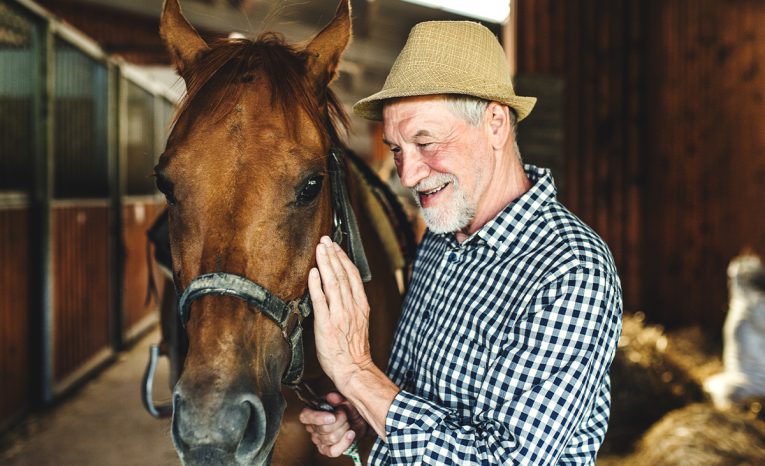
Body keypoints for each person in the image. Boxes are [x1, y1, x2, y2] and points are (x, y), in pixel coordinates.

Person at [300, 20, 623, 465]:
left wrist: (355, 373)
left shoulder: (571, 270)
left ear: (494, 123)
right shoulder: (439, 234)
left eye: (426, 142)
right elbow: (413, 402)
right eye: (396, 149)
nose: (408, 174)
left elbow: (500, 460)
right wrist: (362, 417)